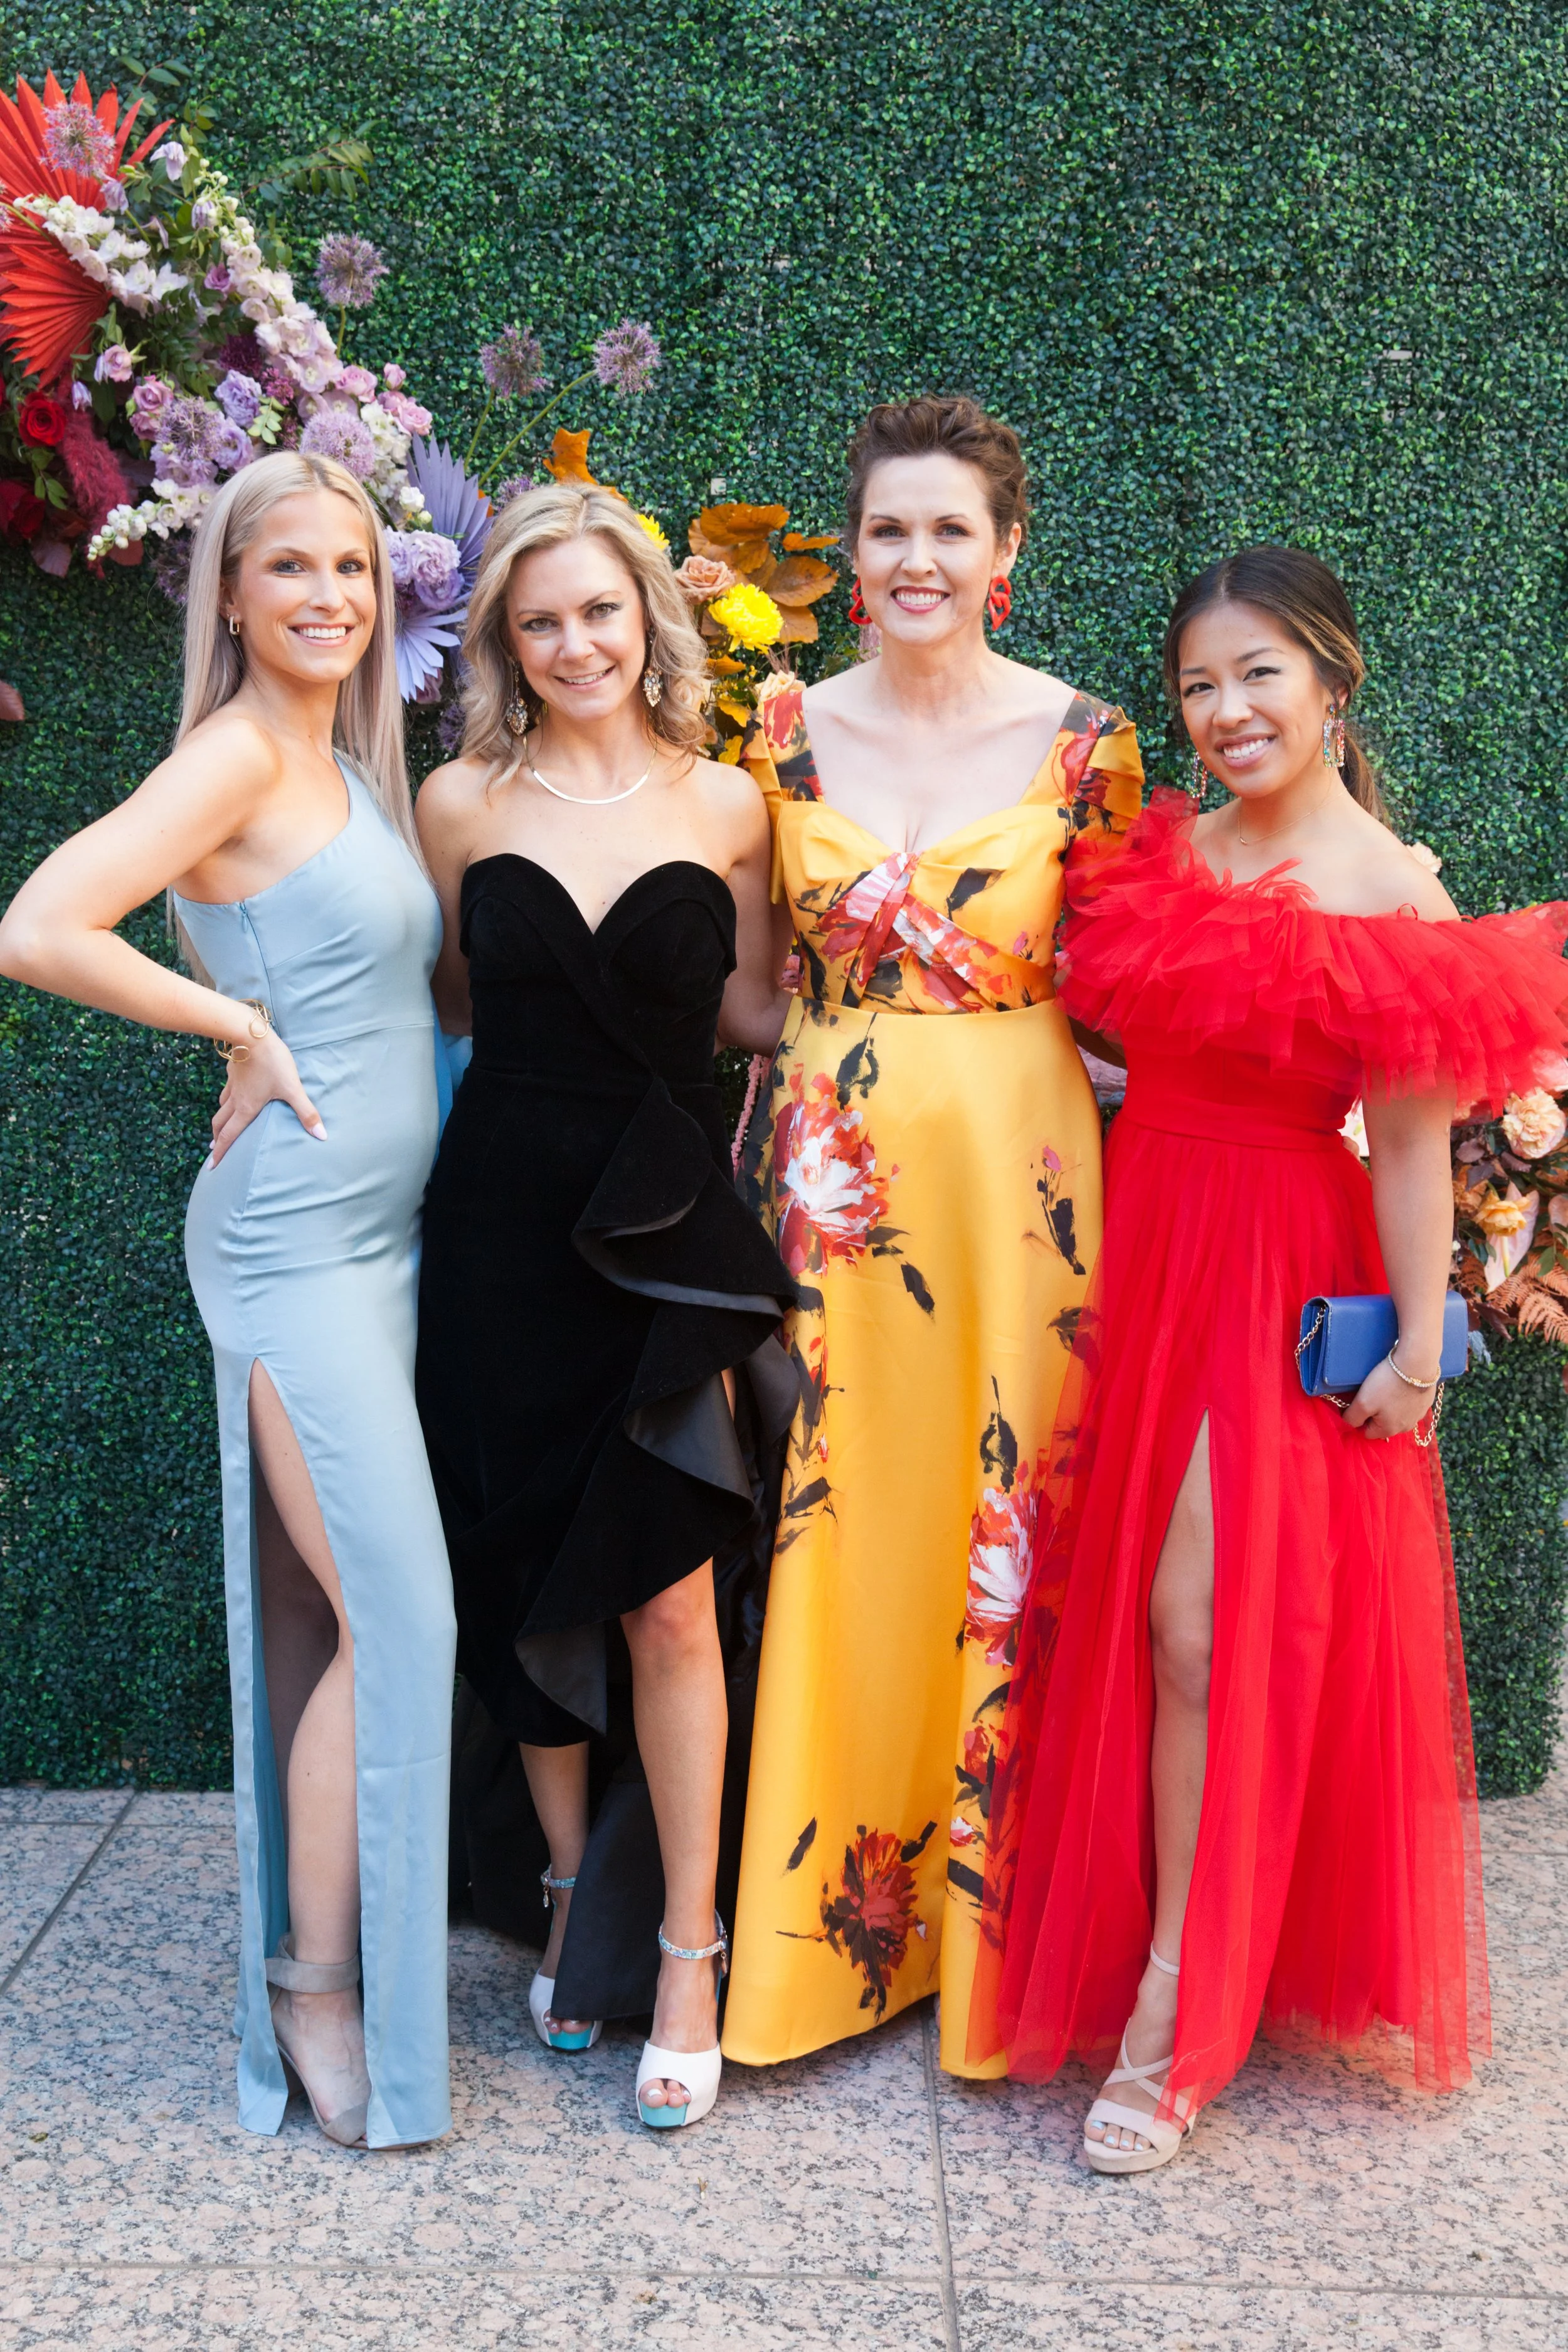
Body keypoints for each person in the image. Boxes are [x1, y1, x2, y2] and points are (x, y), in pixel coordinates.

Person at [972, 544, 1568, 2170]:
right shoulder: (1161, 855)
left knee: (1196, 1629)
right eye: (1197, 686)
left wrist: (1417, 1359)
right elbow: (1101, 1045)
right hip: (1142, 1256)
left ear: (1330, 679)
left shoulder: (1393, 894)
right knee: (1129, 1624)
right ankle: (1158, 1948)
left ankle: (1179, 2013)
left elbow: (1408, 1152)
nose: (1226, 710)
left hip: (1274, 1270)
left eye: (1258, 675)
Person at [0, 452, 457, 2149]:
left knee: (345, 1613)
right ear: (234, 595)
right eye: (291, 569)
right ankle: (315, 1983)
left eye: (353, 565)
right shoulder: (237, 754)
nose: (330, 594)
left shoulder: (343, 759)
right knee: (394, 1616)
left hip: (384, 1244)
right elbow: (42, 922)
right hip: (292, 1249)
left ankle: (340, 1969)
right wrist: (234, 1030)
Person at [721, 395, 1144, 2079]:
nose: (914, 558)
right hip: (829, 1184)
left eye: (948, 531)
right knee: (837, 1520)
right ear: (856, 544)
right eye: (886, 528)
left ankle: (995, 1952)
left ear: (1005, 554)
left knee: (1005, 1532)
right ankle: (822, 1951)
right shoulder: (777, 729)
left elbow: (1131, 991)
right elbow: (751, 987)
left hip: (1020, 1194)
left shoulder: (1086, 744)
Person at [414, 482, 795, 2131]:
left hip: (662, 1239)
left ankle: (692, 1951)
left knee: (665, 1600)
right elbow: (439, 1000)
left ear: (651, 618)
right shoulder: (454, 802)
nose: (574, 642)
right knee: (515, 1574)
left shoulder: (731, 802)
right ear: (504, 640)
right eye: (538, 619)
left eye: (598, 611)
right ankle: (572, 1888)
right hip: (496, 1225)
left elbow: (767, 1007)